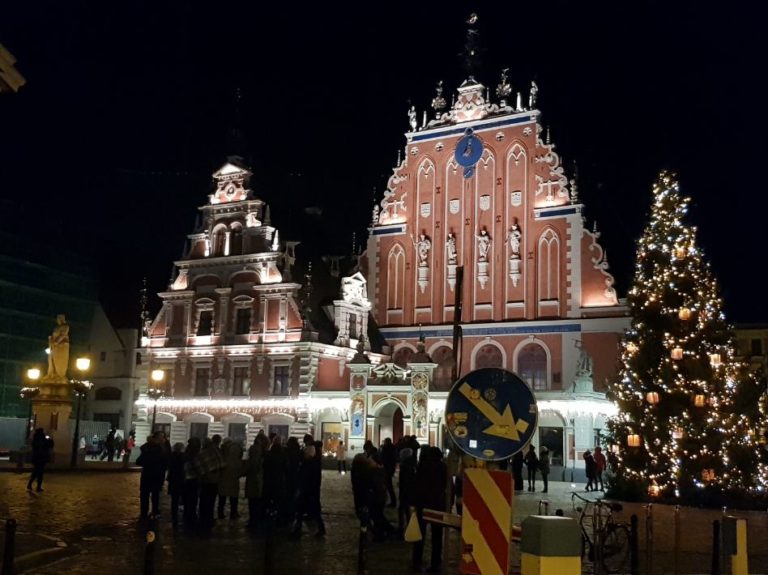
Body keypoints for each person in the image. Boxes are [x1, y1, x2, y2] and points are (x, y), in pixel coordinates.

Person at [412, 447, 448, 572]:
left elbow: (417, 485)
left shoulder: (424, 466)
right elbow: (448, 486)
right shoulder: (444, 467)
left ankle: (416, 561)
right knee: (437, 537)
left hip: (423, 504)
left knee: (419, 535)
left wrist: (415, 503)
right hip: (438, 505)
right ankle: (435, 563)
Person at [136, 431, 169, 521]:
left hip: (147, 475)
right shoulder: (160, 449)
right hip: (156, 475)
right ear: (157, 438)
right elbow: (166, 462)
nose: (163, 439)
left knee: (146, 495)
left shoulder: (147, 448)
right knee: (154, 495)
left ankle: (144, 513)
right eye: (161, 437)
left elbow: (139, 461)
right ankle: (154, 512)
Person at [196, 435, 225, 531]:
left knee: (204, 501)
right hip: (215, 480)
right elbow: (222, 464)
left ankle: (203, 518)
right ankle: (209, 518)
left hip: (205, 481)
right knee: (211, 501)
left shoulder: (202, 453)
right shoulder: (216, 452)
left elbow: (199, 467)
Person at [218, 439, 244, 519]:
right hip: (233, 480)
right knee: (233, 498)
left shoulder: (223, 457)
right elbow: (241, 471)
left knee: (222, 498)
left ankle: (221, 513)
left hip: (224, 480)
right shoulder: (237, 460)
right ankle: (233, 513)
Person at [245, 437, 265, 530]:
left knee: (252, 503)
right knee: (257, 503)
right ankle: (257, 520)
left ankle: (253, 521)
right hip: (259, 485)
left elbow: (245, 470)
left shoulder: (251, 460)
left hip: (252, 484)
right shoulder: (262, 459)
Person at [397, 447, 416, 538]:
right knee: (405, 509)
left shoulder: (405, 466)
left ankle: (404, 527)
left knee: (403, 509)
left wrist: (403, 490)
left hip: (406, 491)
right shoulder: (410, 465)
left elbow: (406, 481)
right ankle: (407, 526)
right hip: (408, 491)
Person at [182, 437, 202, 527]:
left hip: (186, 480)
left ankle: (187, 514)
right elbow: (198, 467)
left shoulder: (186, 454)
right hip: (193, 479)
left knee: (187, 499)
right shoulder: (196, 455)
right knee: (192, 499)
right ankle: (191, 515)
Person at [167, 442, 186, 526]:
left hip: (173, 479)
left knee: (174, 498)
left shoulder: (171, 456)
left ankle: (174, 513)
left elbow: (169, 466)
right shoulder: (184, 457)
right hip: (181, 479)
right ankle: (182, 511)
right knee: (183, 496)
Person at [380, 437, 397, 508]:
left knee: (387, 486)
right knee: (388, 486)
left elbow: (383, 458)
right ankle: (392, 501)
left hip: (386, 469)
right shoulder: (393, 448)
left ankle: (390, 501)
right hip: (390, 469)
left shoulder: (386, 449)